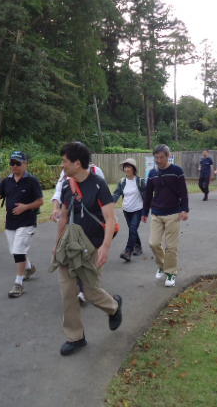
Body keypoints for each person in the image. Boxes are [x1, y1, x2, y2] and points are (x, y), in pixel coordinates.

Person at [53, 142, 122, 356]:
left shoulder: (98, 184)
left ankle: (113, 307)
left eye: (65, 161)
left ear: (77, 163)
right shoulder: (66, 185)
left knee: (91, 292)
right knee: (68, 292)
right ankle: (75, 337)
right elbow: (64, 216)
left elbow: (110, 219)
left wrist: (105, 247)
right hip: (70, 247)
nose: (62, 165)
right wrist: (57, 245)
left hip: (93, 246)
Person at [0, 151, 43, 298]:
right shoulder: (6, 181)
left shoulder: (32, 181)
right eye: (12, 163)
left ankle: (18, 283)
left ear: (25, 164)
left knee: (19, 250)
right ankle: (29, 268)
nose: (14, 166)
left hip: (27, 221)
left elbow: (40, 201)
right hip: (11, 222)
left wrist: (25, 207)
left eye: (17, 163)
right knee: (15, 251)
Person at [51, 161, 105, 304]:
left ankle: (101, 298)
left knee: (90, 266)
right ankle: (80, 291)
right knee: (76, 257)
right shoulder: (65, 176)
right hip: (74, 225)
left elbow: (104, 197)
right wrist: (55, 208)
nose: (63, 165)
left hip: (93, 226)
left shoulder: (96, 172)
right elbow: (58, 192)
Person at [142, 144, 189, 287]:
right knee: (153, 243)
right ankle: (162, 265)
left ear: (168, 156)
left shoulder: (177, 171)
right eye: (156, 157)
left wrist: (185, 209)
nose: (158, 160)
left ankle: (171, 273)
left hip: (173, 214)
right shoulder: (152, 173)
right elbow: (148, 194)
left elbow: (183, 192)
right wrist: (145, 212)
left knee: (171, 247)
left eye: (161, 157)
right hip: (156, 213)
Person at [112, 158, 146, 261]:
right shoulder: (122, 181)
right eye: (125, 167)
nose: (126, 169)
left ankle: (128, 251)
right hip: (126, 210)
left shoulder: (140, 181)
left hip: (137, 209)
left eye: (128, 167)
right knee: (133, 230)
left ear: (133, 169)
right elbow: (116, 194)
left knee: (132, 229)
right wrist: (110, 204)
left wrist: (148, 210)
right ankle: (138, 247)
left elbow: (147, 196)